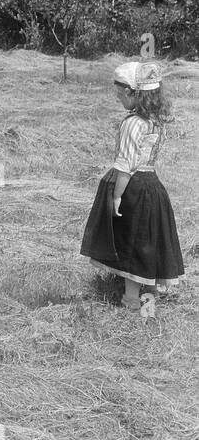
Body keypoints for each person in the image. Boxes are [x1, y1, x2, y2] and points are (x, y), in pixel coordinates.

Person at [79, 60, 184, 311]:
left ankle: (131, 299)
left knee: (131, 242)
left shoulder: (132, 123)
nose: (118, 99)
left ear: (131, 92)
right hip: (154, 186)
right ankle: (150, 291)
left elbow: (126, 164)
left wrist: (116, 196)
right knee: (148, 239)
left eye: (119, 94)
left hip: (133, 188)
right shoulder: (155, 122)